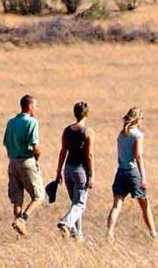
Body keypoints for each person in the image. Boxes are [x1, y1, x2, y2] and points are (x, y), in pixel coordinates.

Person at [105, 107, 157, 240]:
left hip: (121, 171)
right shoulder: (137, 135)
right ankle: (153, 234)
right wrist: (143, 177)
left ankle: (110, 232)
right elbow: (138, 156)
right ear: (137, 119)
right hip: (133, 172)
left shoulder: (121, 134)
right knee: (145, 205)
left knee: (116, 205)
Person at [3, 94, 46, 236]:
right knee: (39, 196)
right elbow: (35, 146)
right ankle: (22, 220)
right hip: (26, 161)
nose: (37, 109)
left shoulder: (11, 122)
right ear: (29, 106)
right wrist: (37, 157)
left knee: (17, 199)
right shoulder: (32, 122)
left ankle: (20, 232)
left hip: (12, 162)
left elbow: (6, 143)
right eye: (35, 106)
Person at [55, 101, 95, 241]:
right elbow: (89, 155)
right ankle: (66, 223)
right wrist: (91, 175)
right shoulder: (88, 132)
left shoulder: (67, 130)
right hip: (81, 171)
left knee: (75, 205)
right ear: (87, 114)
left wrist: (59, 171)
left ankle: (78, 235)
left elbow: (63, 151)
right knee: (79, 204)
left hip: (68, 170)